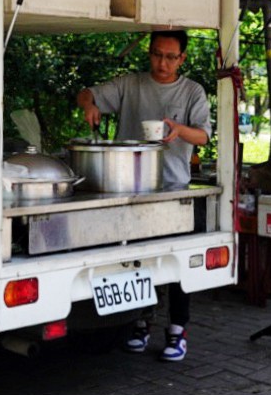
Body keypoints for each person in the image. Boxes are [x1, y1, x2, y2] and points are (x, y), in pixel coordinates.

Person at [77, 29, 211, 361]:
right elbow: (86, 93)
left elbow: (204, 136)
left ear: (182, 58)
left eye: (170, 57)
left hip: (173, 188)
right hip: (130, 190)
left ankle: (178, 331)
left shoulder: (192, 91)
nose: (162, 63)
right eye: (156, 54)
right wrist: (89, 106)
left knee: (177, 262)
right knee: (134, 261)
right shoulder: (130, 84)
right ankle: (140, 322)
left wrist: (180, 131)